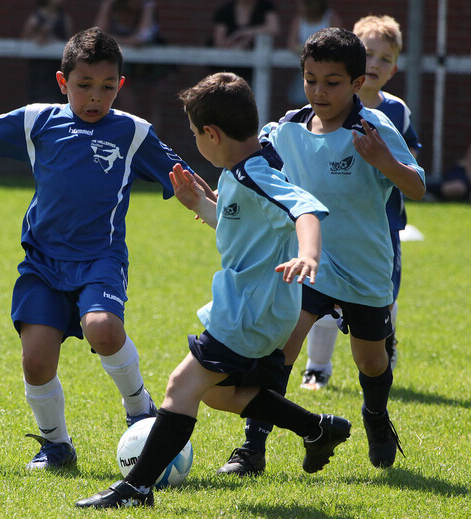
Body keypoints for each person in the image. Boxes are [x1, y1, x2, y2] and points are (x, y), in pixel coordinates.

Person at [0, 27, 195, 470]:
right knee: (36, 361)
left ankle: (141, 411)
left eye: (106, 88)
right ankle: (56, 446)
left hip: (99, 260)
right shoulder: (37, 121)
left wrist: (223, 207)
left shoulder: (133, 133)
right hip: (42, 265)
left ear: (120, 86)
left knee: (103, 328)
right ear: (63, 83)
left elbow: (183, 178)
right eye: (84, 86)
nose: (95, 97)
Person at [75, 72, 344, 510]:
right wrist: (198, 204)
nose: (196, 141)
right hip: (255, 307)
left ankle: (136, 488)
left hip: (250, 310)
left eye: (195, 134)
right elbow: (240, 229)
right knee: (218, 393)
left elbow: (306, 209)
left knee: (181, 384)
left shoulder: (256, 174)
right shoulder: (241, 172)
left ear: (213, 134)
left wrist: (308, 255)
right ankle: (318, 428)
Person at [217, 27, 425, 478]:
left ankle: (375, 415)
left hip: (366, 267)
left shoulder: (373, 127)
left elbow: (418, 184)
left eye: (332, 82)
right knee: (279, 352)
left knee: (371, 360)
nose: (319, 91)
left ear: (356, 83)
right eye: (311, 79)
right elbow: (252, 168)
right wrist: (214, 201)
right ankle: (253, 447)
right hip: (308, 263)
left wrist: (385, 163)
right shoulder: (287, 127)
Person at [300, 15, 421, 391]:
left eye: (385, 59)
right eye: (368, 54)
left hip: (379, 227)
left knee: (381, 298)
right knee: (317, 300)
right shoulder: (310, 114)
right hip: (325, 226)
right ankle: (317, 368)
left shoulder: (394, 113)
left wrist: (386, 161)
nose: (374, 64)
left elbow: (412, 169)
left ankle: (385, 344)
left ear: (395, 68)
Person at [94, 0, 172, 129]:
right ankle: (126, 135)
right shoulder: (110, 4)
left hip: (150, 64)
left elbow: (141, 38)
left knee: (152, 104)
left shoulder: (147, 5)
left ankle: (151, 141)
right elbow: (97, 35)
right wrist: (127, 43)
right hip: (123, 64)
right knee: (127, 104)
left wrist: (113, 40)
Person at [208, 0, 279, 85]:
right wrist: (235, 46)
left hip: (253, 71)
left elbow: (274, 29)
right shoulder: (225, 10)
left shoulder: (266, 6)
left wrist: (245, 33)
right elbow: (219, 43)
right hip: (227, 69)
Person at [287, 0, 342, 107]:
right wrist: (306, 51)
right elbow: (291, 44)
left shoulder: (330, 17)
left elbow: (338, 42)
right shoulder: (299, 18)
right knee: (300, 102)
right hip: (304, 69)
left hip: (326, 69)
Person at [20, 0, 73, 104]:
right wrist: (38, 38)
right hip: (40, 69)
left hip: (58, 66)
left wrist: (55, 42)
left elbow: (69, 40)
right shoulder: (36, 17)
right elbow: (25, 39)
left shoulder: (64, 17)